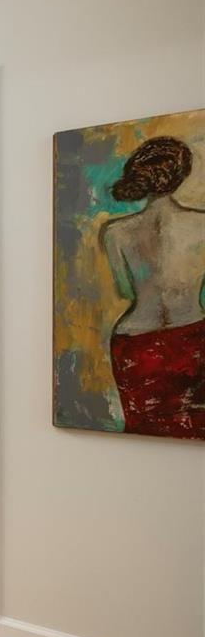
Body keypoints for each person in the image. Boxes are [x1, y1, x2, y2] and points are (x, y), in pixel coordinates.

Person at [103, 136, 205, 439]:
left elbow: (125, 290)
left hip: (135, 342)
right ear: (181, 174)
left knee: (142, 431)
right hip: (193, 336)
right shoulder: (202, 225)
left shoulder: (115, 233)